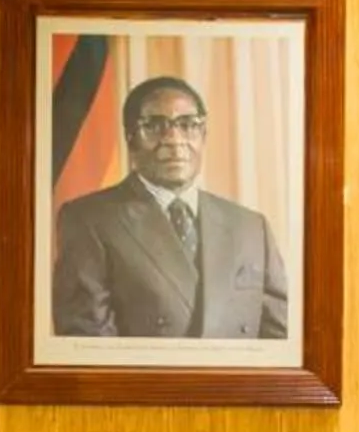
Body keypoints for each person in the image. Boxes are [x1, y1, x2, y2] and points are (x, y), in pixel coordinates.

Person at [50, 76, 289, 341]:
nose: (174, 139)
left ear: (203, 136)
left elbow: (280, 341)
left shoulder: (252, 227)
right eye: (154, 126)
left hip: (237, 383)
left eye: (188, 125)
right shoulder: (88, 220)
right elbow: (89, 342)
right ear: (131, 140)